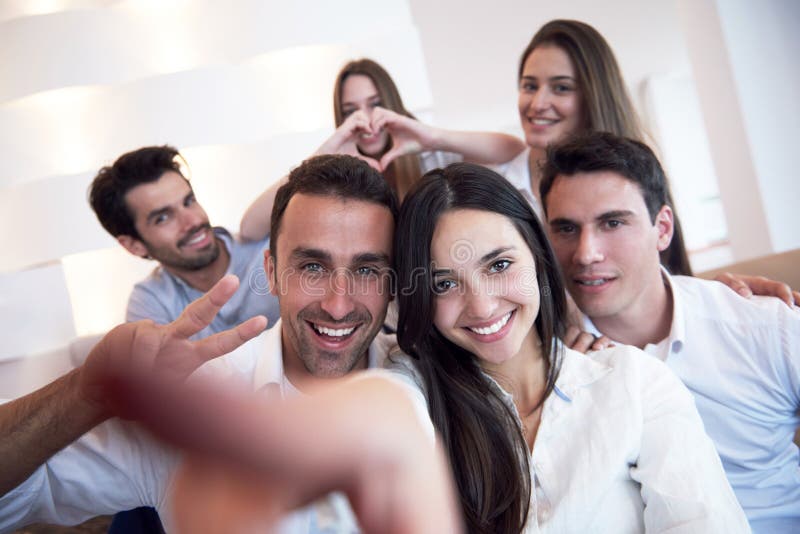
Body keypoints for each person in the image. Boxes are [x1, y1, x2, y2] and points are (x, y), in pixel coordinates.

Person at [0, 155, 444, 532]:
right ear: (270, 271)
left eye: (367, 270)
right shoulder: (193, 402)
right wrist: (84, 394)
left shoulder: (437, 386)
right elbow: (11, 502)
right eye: (312, 266)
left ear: (392, 283)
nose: (337, 303)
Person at [389, 162, 749, 533]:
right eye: (444, 285)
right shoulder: (409, 392)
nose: (482, 306)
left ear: (538, 257)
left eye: (499, 265)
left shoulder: (634, 382)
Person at [539, 132, 800, 532]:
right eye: (566, 229)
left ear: (662, 228)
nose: (586, 253)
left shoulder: (764, 327)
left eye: (612, 223)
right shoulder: (550, 369)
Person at [240, 58, 525, 240]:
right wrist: (320, 156)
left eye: (374, 104)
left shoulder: (428, 158)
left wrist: (433, 136)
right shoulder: (340, 177)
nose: (365, 120)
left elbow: (512, 150)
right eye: (351, 111)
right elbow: (250, 227)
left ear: (391, 104)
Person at [491, 19, 693, 276]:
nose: (538, 103)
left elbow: (669, 285)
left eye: (561, 88)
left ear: (593, 97)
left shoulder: (635, 184)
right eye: (530, 86)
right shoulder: (496, 184)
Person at [89, 145, 280, 337]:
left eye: (189, 201)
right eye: (163, 218)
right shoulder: (150, 303)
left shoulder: (271, 249)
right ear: (134, 246)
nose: (193, 221)